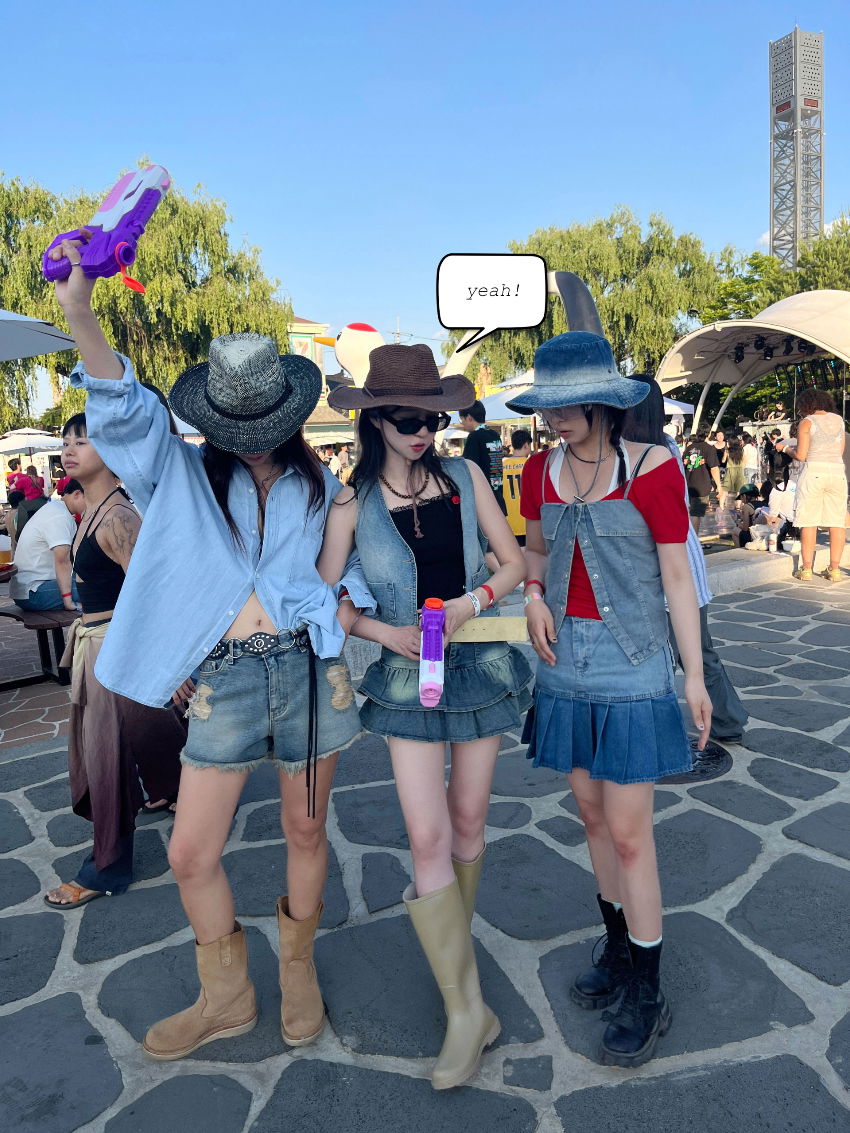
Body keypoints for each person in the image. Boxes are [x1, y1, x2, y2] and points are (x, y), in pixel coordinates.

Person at [50, 236, 371, 1059]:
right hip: (225, 679)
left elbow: (340, 576)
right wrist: (80, 310)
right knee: (191, 850)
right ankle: (225, 995)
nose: (254, 439)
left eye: (268, 424)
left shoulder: (319, 486)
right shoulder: (181, 474)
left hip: (307, 671)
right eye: (237, 425)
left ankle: (297, 971)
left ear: (290, 415)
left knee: (306, 833)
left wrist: (345, 606)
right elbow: (124, 407)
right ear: (214, 420)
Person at [319, 343, 531, 1090]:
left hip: (479, 664)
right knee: (427, 833)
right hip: (407, 676)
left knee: (468, 823)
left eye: (431, 419)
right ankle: (465, 1009)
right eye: (407, 420)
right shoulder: (351, 502)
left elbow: (513, 562)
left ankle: (460, 982)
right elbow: (324, 597)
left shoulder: (466, 477)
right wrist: (383, 632)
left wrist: (473, 602)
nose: (422, 432)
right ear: (375, 419)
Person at [509, 332, 711, 1069]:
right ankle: (620, 949)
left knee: (630, 833)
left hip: (633, 666)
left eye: (568, 405)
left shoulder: (653, 467)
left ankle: (648, 988)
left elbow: (678, 578)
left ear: (602, 402)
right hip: (563, 662)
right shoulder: (538, 469)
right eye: (547, 406)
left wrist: (693, 676)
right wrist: (533, 593)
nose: (555, 418)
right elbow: (535, 550)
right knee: (592, 818)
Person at [43, 423, 187, 908]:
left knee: (105, 760)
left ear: (110, 450)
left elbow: (155, 596)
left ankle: (106, 867)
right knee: (149, 735)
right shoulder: (92, 510)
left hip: (116, 652)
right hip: (102, 648)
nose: (69, 450)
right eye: (66, 443)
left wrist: (169, 667)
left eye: (81, 442)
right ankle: (184, 791)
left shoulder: (118, 517)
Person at [623, 378, 747, 746]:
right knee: (694, 652)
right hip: (675, 559)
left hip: (669, 562)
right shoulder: (665, 445)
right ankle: (724, 719)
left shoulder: (649, 451)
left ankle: (725, 720)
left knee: (690, 653)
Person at [775, 390, 847, 582]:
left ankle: (806, 569)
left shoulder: (807, 422)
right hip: (837, 473)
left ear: (805, 405)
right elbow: (840, 451)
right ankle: (834, 569)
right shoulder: (839, 420)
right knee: (836, 522)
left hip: (814, 472)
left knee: (809, 521)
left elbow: (801, 455)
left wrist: (786, 448)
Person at [8, 478, 83, 611]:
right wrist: (69, 601)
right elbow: (62, 561)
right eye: (92, 499)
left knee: (96, 580)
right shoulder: (60, 516)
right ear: (77, 494)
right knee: (98, 587)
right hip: (34, 591)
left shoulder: (56, 509)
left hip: (29, 588)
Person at [458, 400, 506, 513]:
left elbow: (468, 467)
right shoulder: (494, 435)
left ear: (469, 417)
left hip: (483, 499)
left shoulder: (474, 437)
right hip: (498, 495)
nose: (462, 423)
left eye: (461, 419)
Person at [682, 425, 721, 532]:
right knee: (696, 514)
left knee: (689, 512)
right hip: (701, 486)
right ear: (708, 434)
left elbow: (683, 465)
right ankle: (693, 539)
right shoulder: (709, 448)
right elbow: (714, 468)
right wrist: (719, 486)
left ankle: (688, 537)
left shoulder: (689, 448)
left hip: (687, 483)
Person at [502, 428, 532, 545]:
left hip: (508, 522)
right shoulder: (531, 465)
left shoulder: (502, 466)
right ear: (526, 445)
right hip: (529, 522)